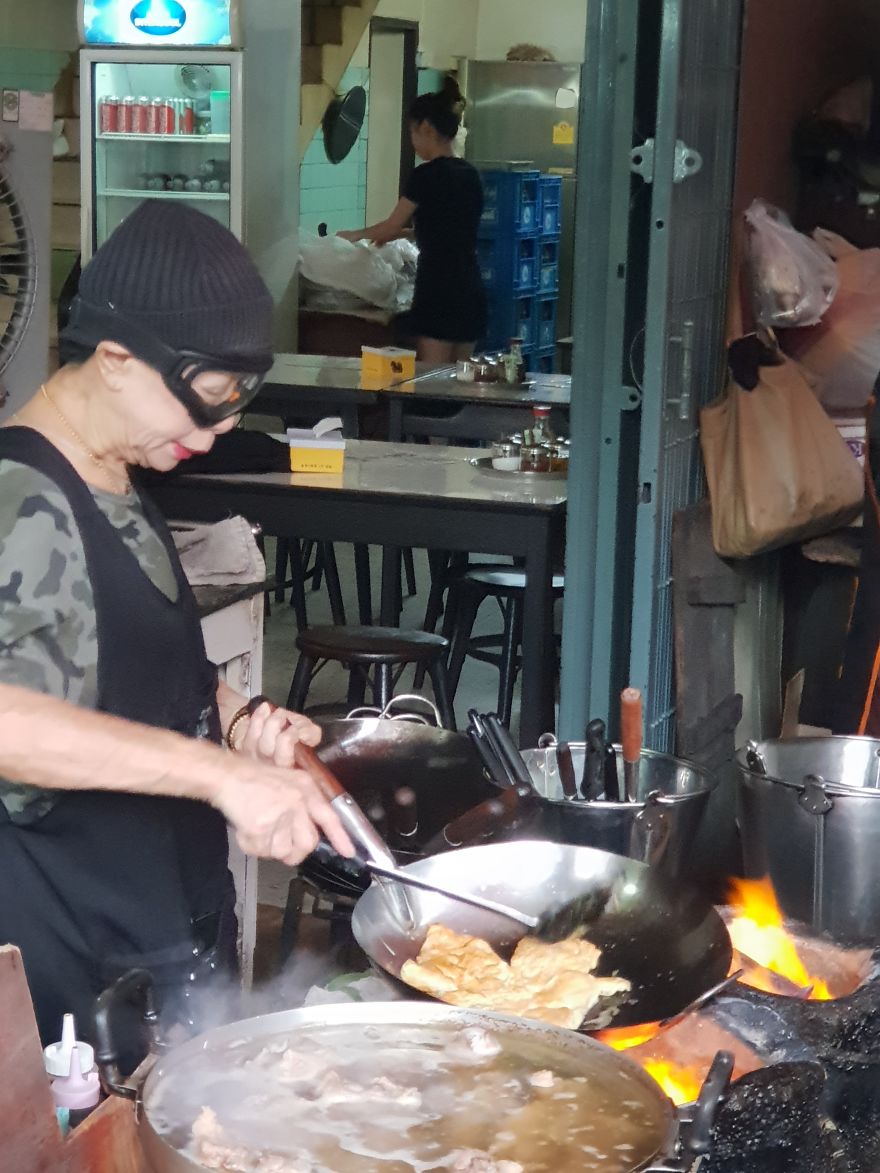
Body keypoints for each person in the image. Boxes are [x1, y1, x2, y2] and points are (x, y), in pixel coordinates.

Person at [0, 200, 354, 1044]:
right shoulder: (20, 499)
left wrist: (238, 725)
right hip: (74, 975)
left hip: (160, 942)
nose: (224, 425)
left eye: (239, 398)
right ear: (117, 359)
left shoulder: (116, 478)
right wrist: (220, 776)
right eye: (209, 396)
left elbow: (140, 678)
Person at [339, 77, 487, 362]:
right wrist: (403, 234)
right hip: (471, 291)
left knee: (432, 380)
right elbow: (448, 230)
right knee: (460, 380)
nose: (412, 141)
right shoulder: (471, 175)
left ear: (426, 128)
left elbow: (390, 225)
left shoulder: (426, 175)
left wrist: (355, 235)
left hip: (439, 289)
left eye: (412, 132)